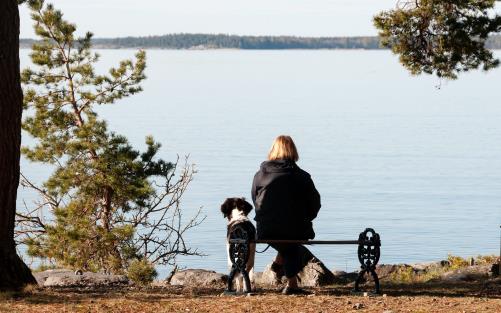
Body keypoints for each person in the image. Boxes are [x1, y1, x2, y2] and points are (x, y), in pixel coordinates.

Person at [251, 135, 321, 295]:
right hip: (295, 229)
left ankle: (279, 267)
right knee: (291, 243)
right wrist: (306, 218)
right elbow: (315, 203)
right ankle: (291, 284)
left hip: (266, 229)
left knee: (286, 241)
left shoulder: (259, 176)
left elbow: (255, 200)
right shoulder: (302, 177)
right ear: (293, 151)